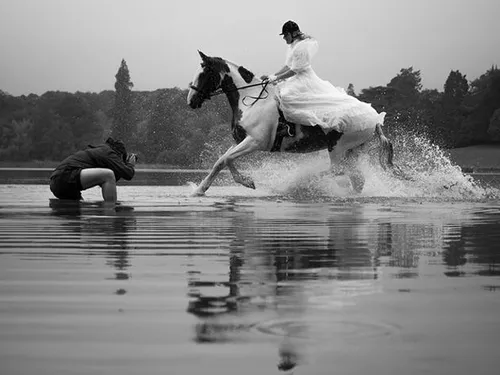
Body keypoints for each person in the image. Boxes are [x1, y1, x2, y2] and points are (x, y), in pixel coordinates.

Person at [262, 20, 384, 137]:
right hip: (297, 77)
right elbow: (288, 66)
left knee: (286, 96)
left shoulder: (301, 48)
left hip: (303, 78)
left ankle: (290, 128)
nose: (284, 38)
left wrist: (276, 78)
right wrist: (273, 76)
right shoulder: (293, 46)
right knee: (278, 93)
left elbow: (295, 70)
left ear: (293, 34)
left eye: (286, 35)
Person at [49, 137, 136, 205]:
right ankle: (111, 212)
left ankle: (106, 213)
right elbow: (128, 174)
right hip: (66, 174)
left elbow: (108, 183)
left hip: (56, 182)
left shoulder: (100, 151)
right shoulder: (108, 152)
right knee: (109, 175)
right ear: (120, 155)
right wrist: (130, 164)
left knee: (78, 206)